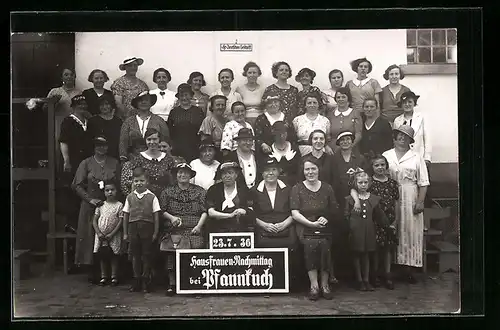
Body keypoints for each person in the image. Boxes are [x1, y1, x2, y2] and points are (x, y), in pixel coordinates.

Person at [382, 125, 429, 284]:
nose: (402, 139)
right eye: (399, 136)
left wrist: (420, 201)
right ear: (394, 138)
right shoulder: (386, 155)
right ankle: (392, 269)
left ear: (410, 140)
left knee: (410, 230)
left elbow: (423, 182)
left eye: (405, 137)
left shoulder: (416, 157)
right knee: (394, 229)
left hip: (410, 194)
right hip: (390, 194)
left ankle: (409, 269)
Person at [72, 136, 120, 283]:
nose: (101, 148)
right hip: (91, 205)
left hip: (110, 203)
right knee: (90, 236)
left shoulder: (114, 162)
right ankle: (93, 270)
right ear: (93, 147)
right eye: (98, 145)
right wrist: (89, 199)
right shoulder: (86, 163)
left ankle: (111, 273)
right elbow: (76, 185)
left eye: (104, 145)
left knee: (111, 234)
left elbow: (119, 183)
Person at [290, 156, 339, 301]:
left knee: (324, 244)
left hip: (324, 226)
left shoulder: (327, 188)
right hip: (305, 226)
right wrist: (310, 224)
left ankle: (325, 285)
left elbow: (334, 209)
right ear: (303, 171)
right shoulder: (297, 188)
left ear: (319, 170)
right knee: (311, 244)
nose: (310, 172)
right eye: (307, 169)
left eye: (313, 169)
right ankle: (314, 285)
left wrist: (326, 218)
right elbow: (294, 212)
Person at [250, 157, 301, 292]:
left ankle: (289, 284)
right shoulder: (255, 191)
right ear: (262, 173)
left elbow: (295, 210)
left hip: (285, 227)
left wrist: (285, 224)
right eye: (267, 170)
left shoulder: (289, 189)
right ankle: (267, 284)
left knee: (292, 245)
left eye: (273, 169)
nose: (270, 173)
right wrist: (264, 225)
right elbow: (251, 214)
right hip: (263, 229)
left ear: (279, 172)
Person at [159, 163, 208, 296]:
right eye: (180, 172)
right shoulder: (167, 191)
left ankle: (193, 283)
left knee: (196, 249)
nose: (183, 175)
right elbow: (161, 210)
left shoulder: (200, 191)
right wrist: (172, 218)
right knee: (171, 251)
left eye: (186, 172)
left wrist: (199, 226)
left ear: (190, 175)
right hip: (174, 229)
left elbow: (205, 211)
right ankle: (172, 284)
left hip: (194, 229)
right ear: (176, 175)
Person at [345, 170, 389, 291]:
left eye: (365, 182)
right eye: (360, 183)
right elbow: (346, 215)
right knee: (356, 254)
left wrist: (388, 225)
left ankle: (366, 279)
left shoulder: (374, 199)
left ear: (369, 183)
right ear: (355, 184)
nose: (363, 185)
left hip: (369, 230)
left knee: (366, 255)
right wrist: (349, 229)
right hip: (355, 231)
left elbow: (379, 215)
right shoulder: (350, 199)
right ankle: (359, 280)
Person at [122, 167, 161, 293]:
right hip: (133, 228)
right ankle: (136, 280)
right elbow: (126, 215)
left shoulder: (152, 197)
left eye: (142, 181)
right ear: (133, 182)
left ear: (147, 181)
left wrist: (155, 232)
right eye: (136, 181)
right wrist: (125, 232)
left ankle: (146, 280)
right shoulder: (129, 197)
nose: (139, 183)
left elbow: (156, 216)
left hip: (147, 228)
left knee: (147, 255)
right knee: (135, 256)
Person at [367, 155, 399, 290]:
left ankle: (387, 274)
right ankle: (374, 275)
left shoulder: (392, 183)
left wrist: (396, 220)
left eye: (382, 165)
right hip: (375, 220)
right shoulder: (369, 183)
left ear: (386, 166)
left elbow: (397, 202)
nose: (380, 168)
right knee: (375, 248)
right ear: (372, 167)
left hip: (390, 219)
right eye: (376, 165)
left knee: (387, 249)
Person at [120, 128, 174, 198]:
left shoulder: (168, 158)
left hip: (165, 196)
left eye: (154, 139)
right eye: (149, 139)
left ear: (159, 140)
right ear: (145, 140)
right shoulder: (139, 158)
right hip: (145, 197)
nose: (152, 142)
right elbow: (134, 180)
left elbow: (172, 180)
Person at [119, 91, 170, 163]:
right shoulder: (128, 122)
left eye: (146, 100)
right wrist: (123, 159)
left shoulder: (159, 121)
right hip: (133, 160)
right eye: (140, 100)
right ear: (136, 103)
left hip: (155, 160)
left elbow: (165, 141)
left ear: (151, 103)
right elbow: (123, 143)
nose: (143, 102)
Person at [205, 161, 255, 233]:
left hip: (240, 229)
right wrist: (230, 215)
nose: (227, 176)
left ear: (236, 175)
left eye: (230, 172)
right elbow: (211, 212)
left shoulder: (244, 190)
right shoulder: (214, 189)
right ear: (221, 175)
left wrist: (245, 211)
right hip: (218, 229)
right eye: (224, 173)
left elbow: (251, 209)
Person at [92, 180, 123, 286]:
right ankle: (103, 276)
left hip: (113, 235)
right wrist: (98, 232)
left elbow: (120, 221)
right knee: (102, 255)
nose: (110, 192)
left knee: (114, 255)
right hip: (101, 234)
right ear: (104, 192)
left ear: (116, 191)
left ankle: (114, 276)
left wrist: (112, 233)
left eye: (112, 190)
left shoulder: (119, 205)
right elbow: (94, 220)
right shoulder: (100, 205)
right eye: (107, 190)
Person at [46, 67, 82, 161]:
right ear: (61, 77)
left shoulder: (79, 92)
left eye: (71, 74)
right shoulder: (55, 91)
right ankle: (57, 174)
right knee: (58, 148)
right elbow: (45, 109)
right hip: (59, 123)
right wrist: (54, 102)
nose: (69, 77)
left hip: (74, 123)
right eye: (66, 74)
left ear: (75, 76)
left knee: (74, 147)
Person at [167, 83, 205, 163]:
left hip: (194, 147)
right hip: (178, 147)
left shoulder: (198, 111)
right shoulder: (174, 112)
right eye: (181, 95)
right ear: (178, 97)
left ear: (191, 96)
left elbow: (202, 130)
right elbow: (170, 131)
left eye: (186, 95)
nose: (184, 98)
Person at [254, 94, 297, 159]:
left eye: (275, 102)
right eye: (270, 103)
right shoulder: (261, 119)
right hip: (267, 152)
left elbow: (292, 135)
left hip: (287, 152)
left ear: (280, 103)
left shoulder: (287, 118)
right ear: (265, 105)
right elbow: (257, 136)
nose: (273, 105)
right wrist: (263, 144)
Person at [59, 94, 93, 175]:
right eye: (79, 104)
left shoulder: (89, 121)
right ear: (73, 106)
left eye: (84, 104)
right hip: (73, 160)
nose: (82, 106)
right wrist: (66, 161)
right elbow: (63, 142)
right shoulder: (68, 121)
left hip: (87, 160)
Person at [293, 92, 332, 157]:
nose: (312, 105)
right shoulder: (297, 120)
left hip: (320, 152)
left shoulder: (325, 121)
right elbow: (293, 139)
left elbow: (327, 138)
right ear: (305, 105)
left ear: (318, 104)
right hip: (302, 152)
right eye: (309, 103)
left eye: (314, 103)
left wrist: (327, 146)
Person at [326, 87, 363, 153]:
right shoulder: (330, 115)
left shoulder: (355, 113)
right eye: (338, 97)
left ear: (348, 98)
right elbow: (328, 135)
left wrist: (349, 146)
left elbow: (358, 134)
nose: (341, 99)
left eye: (343, 97)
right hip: (334, 150)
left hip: (351, 149)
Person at [264, 121, 300, 187]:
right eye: (279, 133)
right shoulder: (268, 150)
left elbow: (299, 170)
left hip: (293, 185)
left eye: (284, 132)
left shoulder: (294, 148)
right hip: (274, 186)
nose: (282, 135)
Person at [199, 95, 228, 161]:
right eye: (218, 105)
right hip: (213, 155)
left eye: (223, 105)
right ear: (212, 107)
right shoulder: (208, 120)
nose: (220, 107)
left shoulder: (227, 121)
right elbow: (205, 142)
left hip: (226, 153)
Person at [236, 61, 266, 125]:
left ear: (258, 74)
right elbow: (237, 108)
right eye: (249, 73)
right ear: (245, 74)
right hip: (244, 120)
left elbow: (265, 108)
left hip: (260, 120)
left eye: (254, 73)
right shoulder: (239, 89)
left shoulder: (263, 89)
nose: (252, 75)